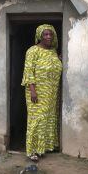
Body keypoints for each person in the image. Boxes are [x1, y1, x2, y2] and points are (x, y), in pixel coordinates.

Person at [21, 24, 62, 162]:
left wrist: (59, 60)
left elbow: (54, 66)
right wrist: (33, 90)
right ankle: (32, 151)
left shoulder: (53, 52)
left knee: (48, 119)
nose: (48, 37)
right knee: (36, 120)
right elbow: (28, 71)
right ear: (40, 36)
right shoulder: (33, 51)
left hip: (51, 93)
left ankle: (42, 148)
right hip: (36, 92)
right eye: (45, 34)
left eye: (50, 34)